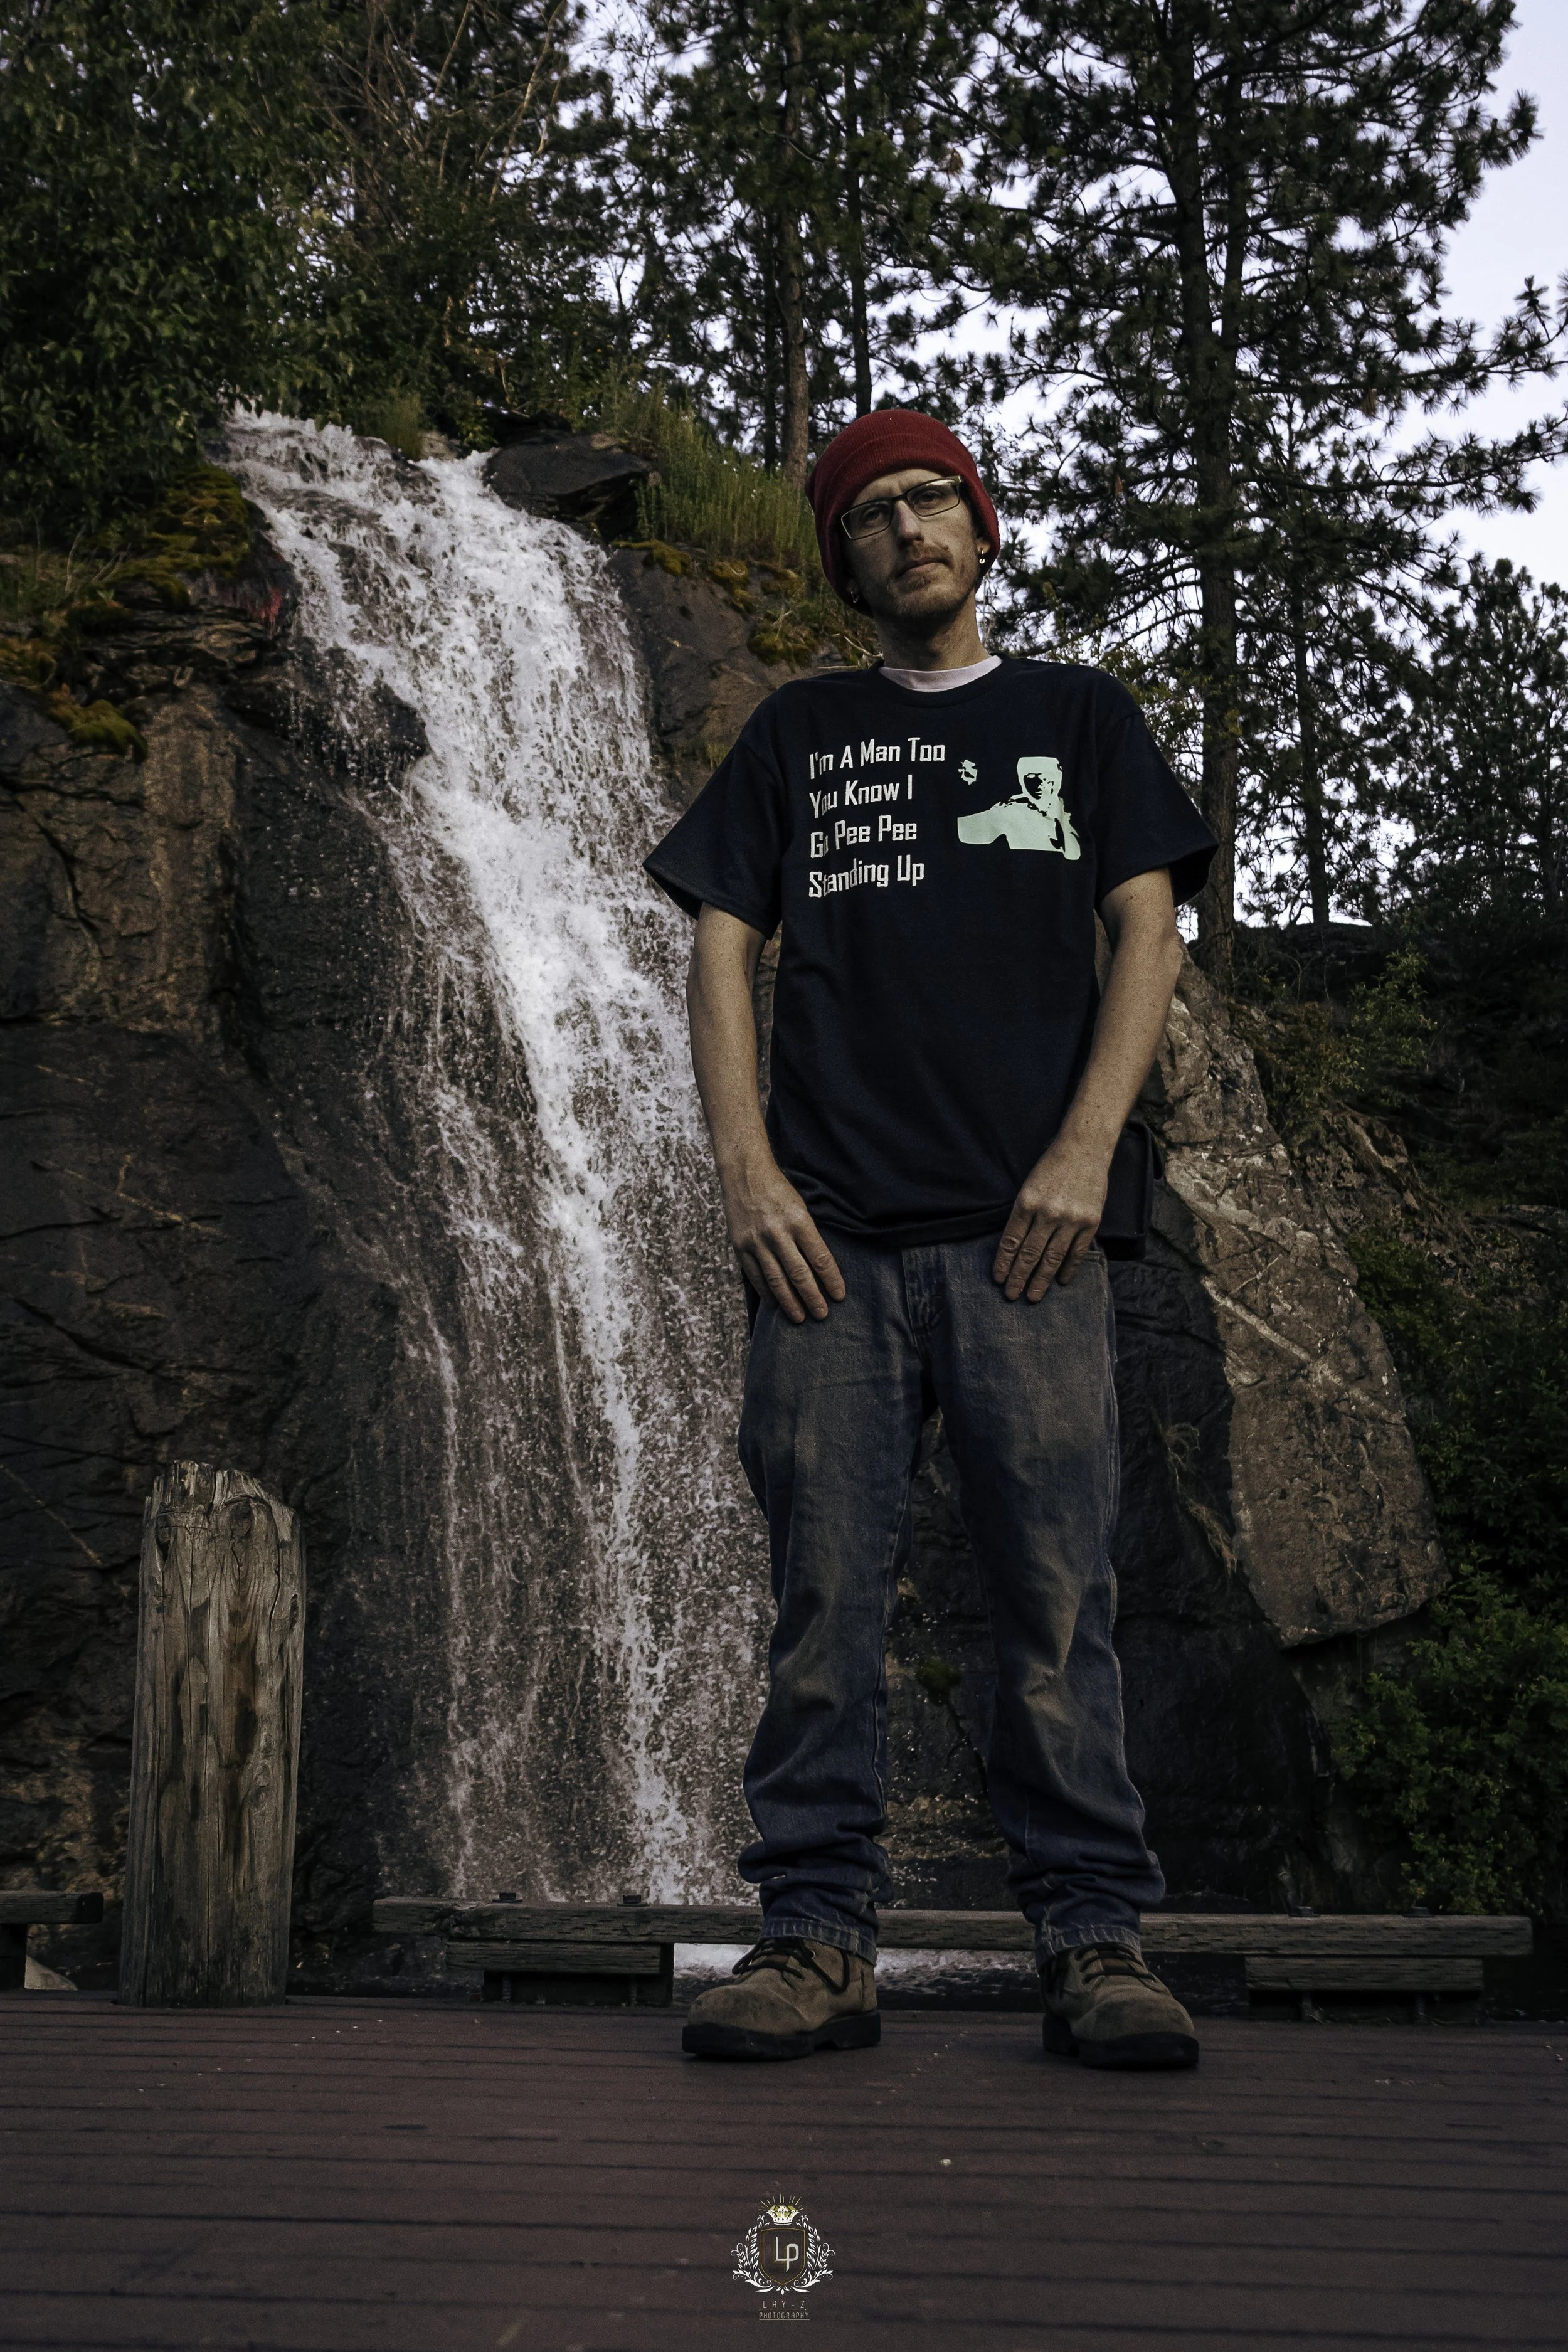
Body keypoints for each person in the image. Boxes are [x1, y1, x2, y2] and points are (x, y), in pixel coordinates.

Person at [644, 409, 1216, 2072]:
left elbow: (1144, 928)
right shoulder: (796, 733)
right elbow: (721, 945)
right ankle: (816, 1940)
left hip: (1028, 1238)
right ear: (843, 559)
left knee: (1054, 1595)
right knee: (823, 1595)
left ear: (979, 523)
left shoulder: (1077, 716)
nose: (905, 528)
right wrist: (746, 1179)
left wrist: (1082, 1156)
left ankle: (1094, 1942)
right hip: (824, 1243)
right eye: (871, 512)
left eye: (929, 499)